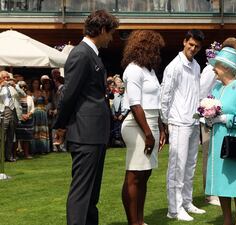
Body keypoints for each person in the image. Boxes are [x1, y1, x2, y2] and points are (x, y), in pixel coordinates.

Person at [53, 9, 119, 225]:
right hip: (84, 134)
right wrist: (60, 126)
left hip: (94, 134)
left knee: (91, 195)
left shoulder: (92, 54)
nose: (111, 38)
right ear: (101, 30)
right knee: (82, 194)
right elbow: (69, 95)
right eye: (110, 33)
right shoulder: (81, 54)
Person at [120, 29, 167, 225]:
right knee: (134, 175)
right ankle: (134, 222)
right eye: (155, 48)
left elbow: (154, 101)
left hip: (151, 123)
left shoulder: (149, 70)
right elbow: (135, 104)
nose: (158, 52)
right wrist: (148, 133)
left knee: (144, 174)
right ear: (145, 47)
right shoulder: (133, 70)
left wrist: (161, 129)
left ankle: (140, 219)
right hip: (137, 125)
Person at [205, 47, 236, 225]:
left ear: (226, 67)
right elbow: (211, 110)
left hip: (235, 141)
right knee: (220, 182)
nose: (213, 68)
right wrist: (208, 119)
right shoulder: (217, 88)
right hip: (217, 141)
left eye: (216, 65)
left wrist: (226, 118)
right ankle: (227, 220)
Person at [160, 29, 206, 221]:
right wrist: (165, 121)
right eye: (191, 44)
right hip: (178, 122)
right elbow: (165, 95)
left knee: (190, 165)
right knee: (177, 166)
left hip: (194, 121)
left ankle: (186, 201)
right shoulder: (174, 67)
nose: (193, 48)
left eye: (196, 46)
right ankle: (174, 208)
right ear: (184, 42)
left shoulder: (196, 66)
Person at [200, 37, 236, 206]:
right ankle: (210, 192)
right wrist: (207, 109)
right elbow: (202, 91)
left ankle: (222, 188)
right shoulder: (211, 70)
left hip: (220, 116)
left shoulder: (230, 75)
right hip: (209, 116)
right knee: (209, 155)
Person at [0, 71, 24, 162]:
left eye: (8, 78)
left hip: (14, 111)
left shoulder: (13, 87)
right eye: (4, 77)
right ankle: (1, 156)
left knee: (11, 135)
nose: (6, 79)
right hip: (3, 111)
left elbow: (24, 95)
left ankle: (8, 156)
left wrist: (16, 86)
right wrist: (1, 86)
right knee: (2, 135)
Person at [15, 81, 35, 159]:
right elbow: (15, 108)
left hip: (28, 120)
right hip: (19, 119)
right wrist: (21, 115)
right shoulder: (16, 97)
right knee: (17, 137)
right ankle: (15, 154)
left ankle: (26, 154)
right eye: (21, 87)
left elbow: (33, 109)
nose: (23, 88)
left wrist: (28, 115)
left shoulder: (30, 97)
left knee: (26, 138)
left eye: (24, 86)